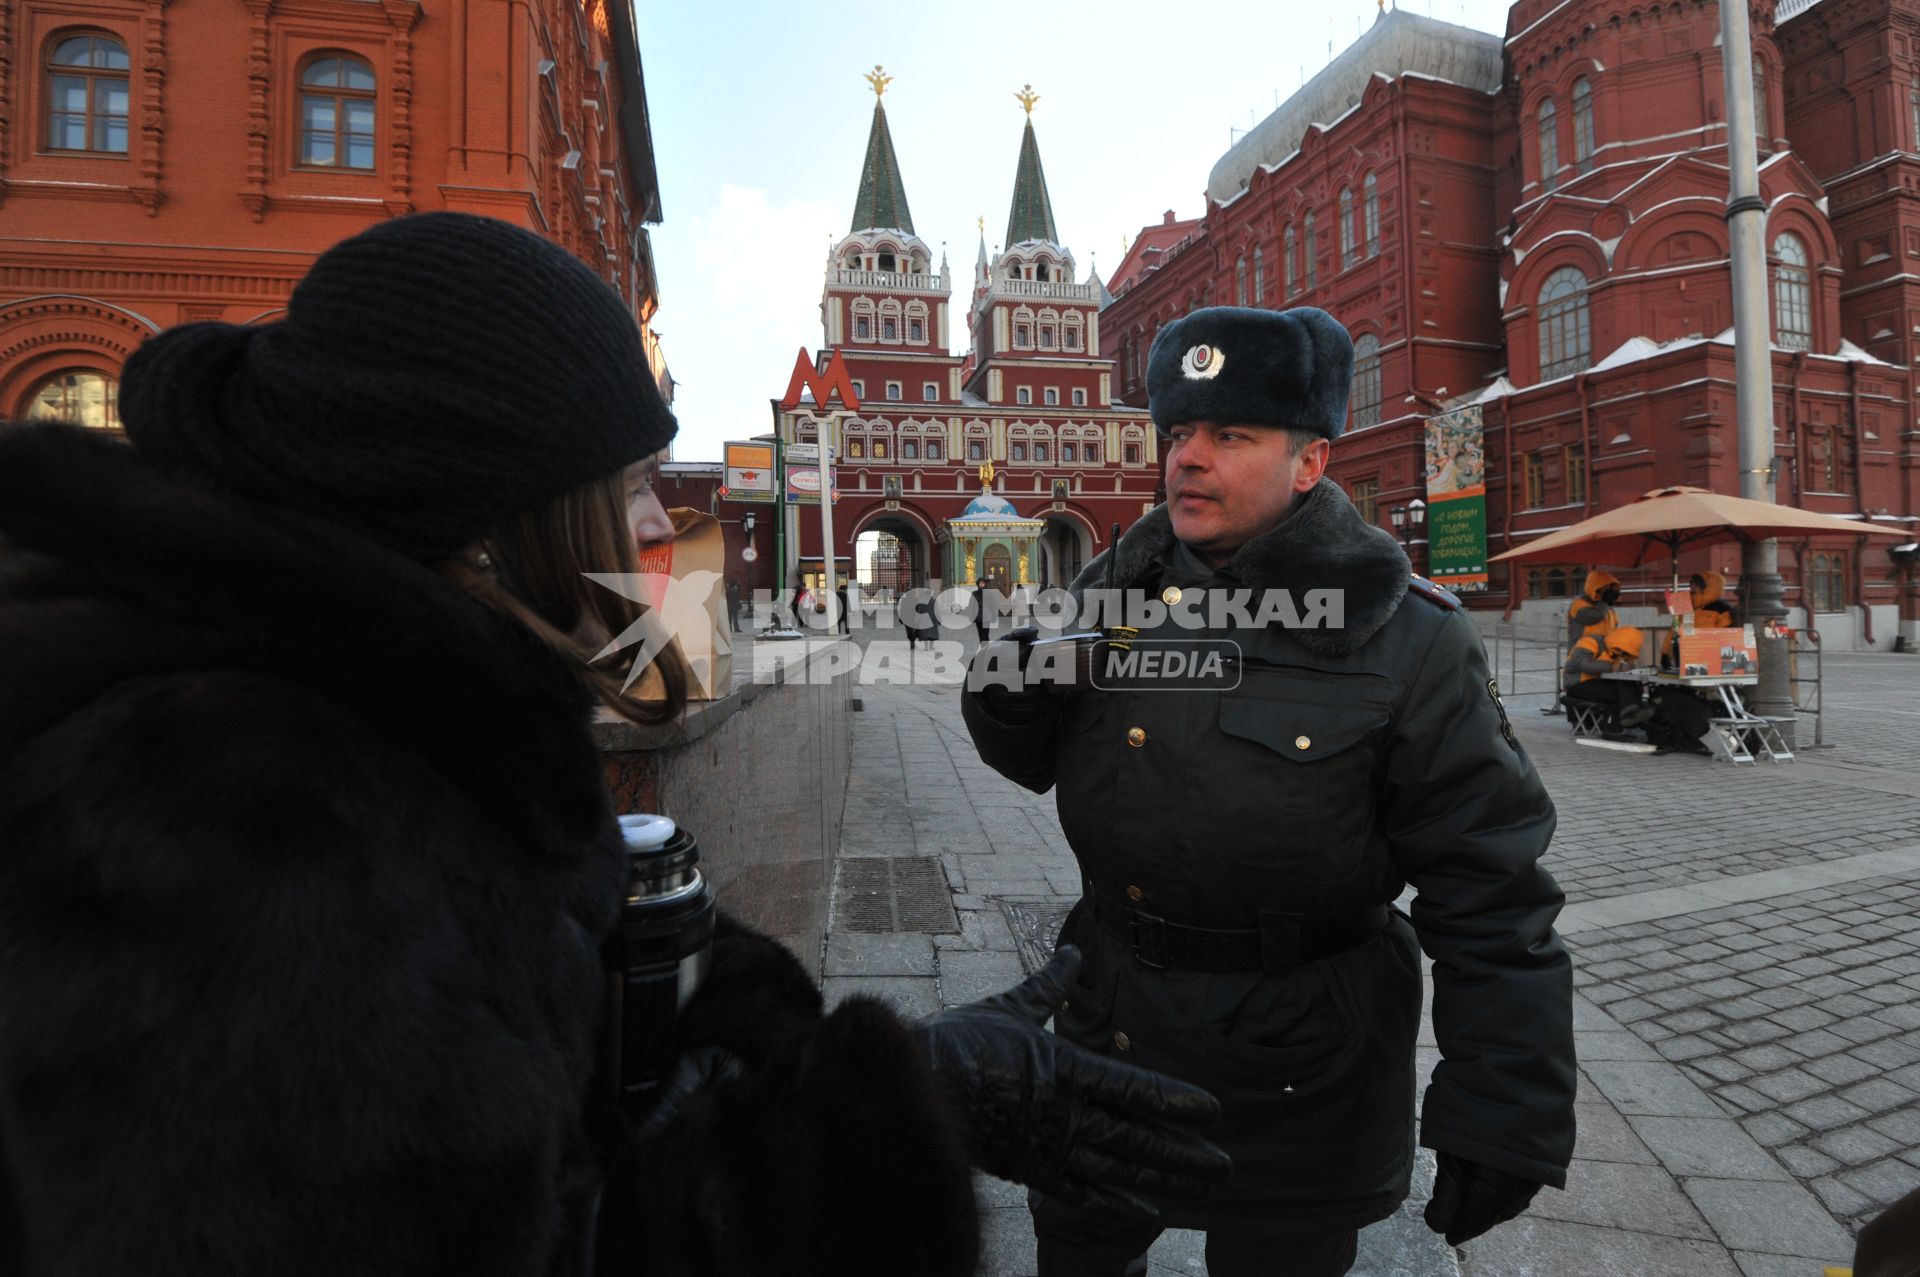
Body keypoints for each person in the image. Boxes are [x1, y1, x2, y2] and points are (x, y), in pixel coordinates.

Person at [0, 213, 1229, 1277]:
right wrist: (882, 1123)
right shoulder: (221, 802)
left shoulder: (377, 706)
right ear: (489, 501)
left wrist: (728, 1000)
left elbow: (496, 1015)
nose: (663, 514)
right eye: (629, 476)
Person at [961, 306, 1574, 1276]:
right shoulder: (1110, 601)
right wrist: (1007, 683)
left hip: (1303, 1063)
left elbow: (1490, 886)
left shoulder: (1408, 638)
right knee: (1077, 1254)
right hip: (1110, 1022)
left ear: (1311, 461)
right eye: (1177, 433)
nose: (1188, 459)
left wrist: (1506, 1102)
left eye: (1229, 434)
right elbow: (1027, 754)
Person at [1564, 625, 1654, 737]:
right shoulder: (1589, 642)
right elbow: (1584, 665)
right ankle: (1615, 728)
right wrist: (1614, 666)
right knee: (1614, 693)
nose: (1621, 653)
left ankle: (1631, 714)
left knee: (1627, 684)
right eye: (1620, 650)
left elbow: (1628, 663)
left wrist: (1629, 666)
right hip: (1577, 685)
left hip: (1598, 683)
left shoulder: (1618, 652)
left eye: (1624, 652)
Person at [1566, 568, 1622, 650]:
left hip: (1603, 654)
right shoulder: (1579, 603)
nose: (1610, 591)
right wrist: (1605, 601)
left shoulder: (1607, 606)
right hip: (1582, 654)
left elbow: (1613, 629)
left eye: (1611, 588)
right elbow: (1593, 617)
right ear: (1596, 588)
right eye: (1606, 588)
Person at [976, 577, 994, 642]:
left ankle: (986, 649)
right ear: (977, 584)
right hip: (978, 618)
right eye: (980, 583)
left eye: (982, 583)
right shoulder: (974, 593)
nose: (981, 584)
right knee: (980, 635)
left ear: (985, 584)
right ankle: (983, 649)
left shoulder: (989, 593)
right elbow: (971, 606)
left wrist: (994, 617)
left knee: (985, 635)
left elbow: (993, 606)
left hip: (987, 618)